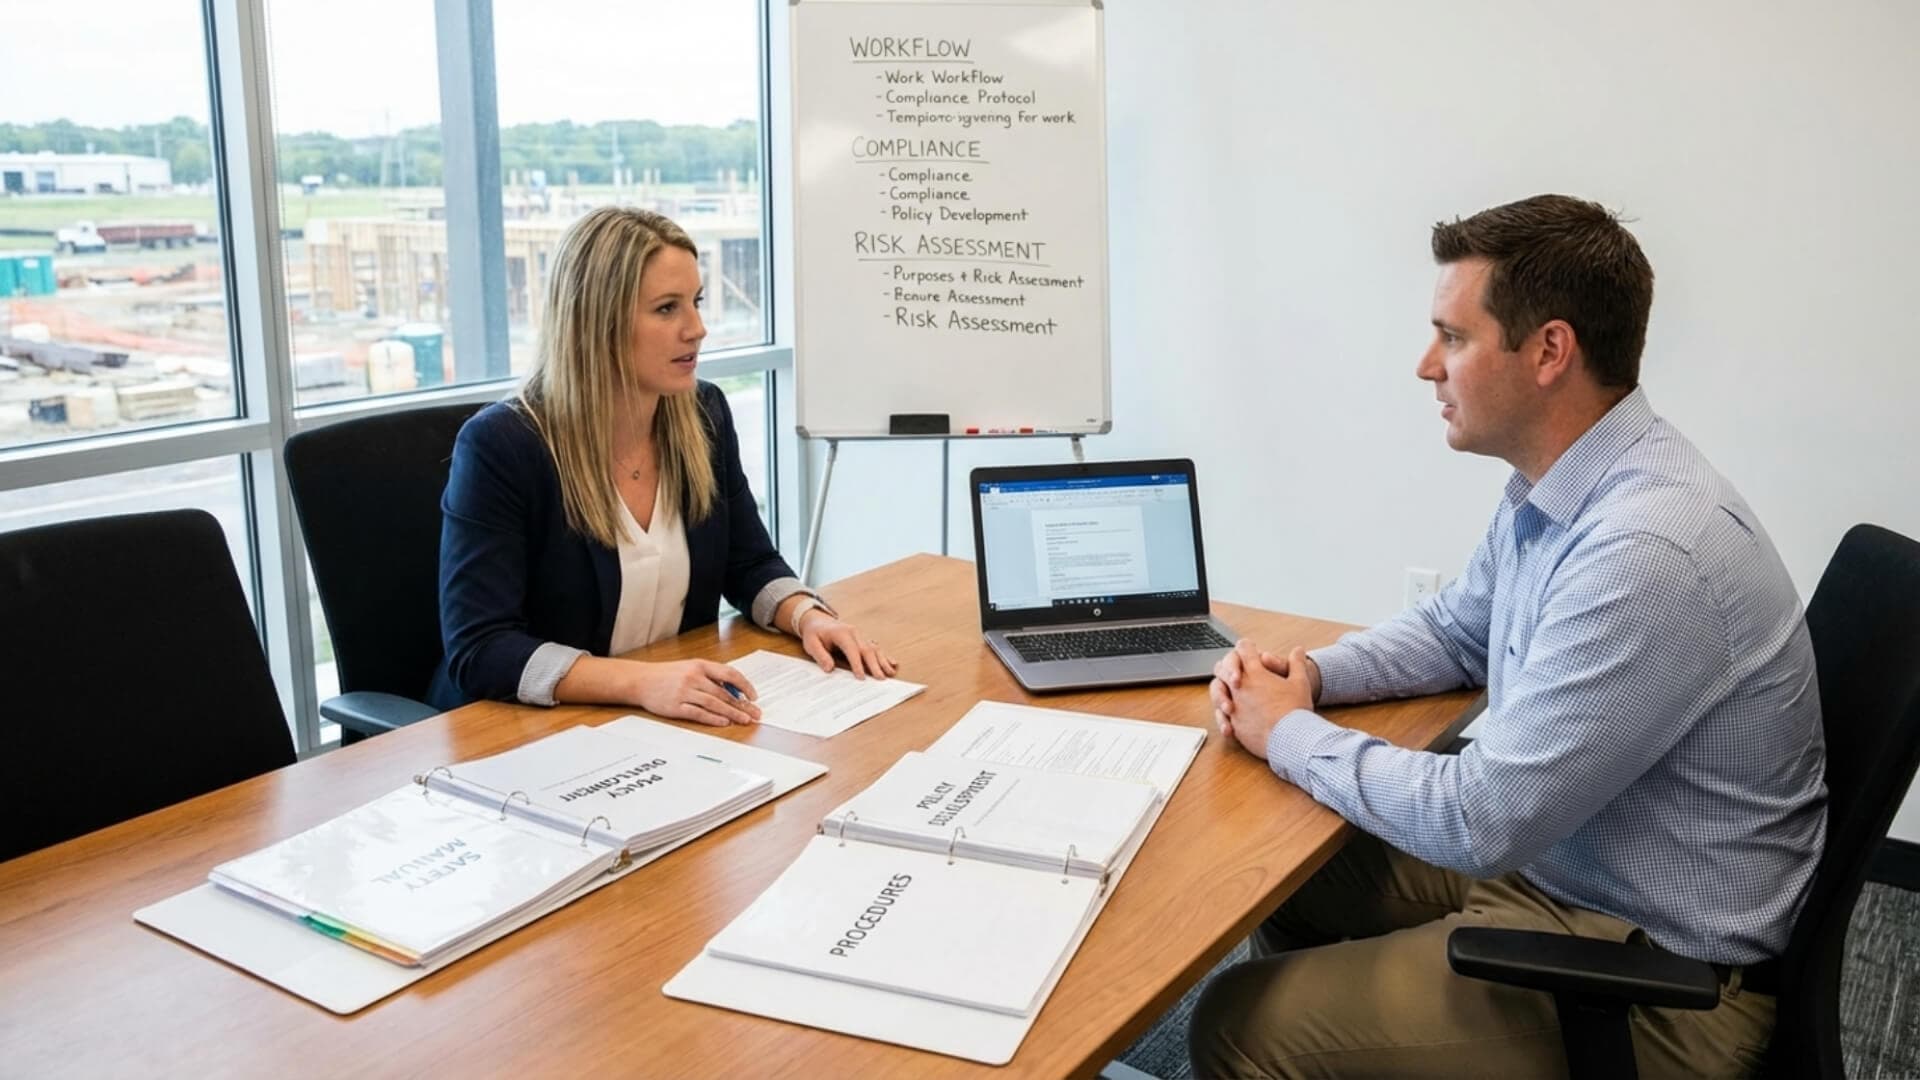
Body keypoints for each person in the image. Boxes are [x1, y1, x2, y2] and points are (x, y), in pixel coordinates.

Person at [1189, 194, 1827, 1078]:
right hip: (1574, 864)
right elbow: (1458, 631)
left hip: (1655, 977)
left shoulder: (1648, 551)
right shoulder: (1567, 483)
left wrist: (1289, 730)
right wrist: (1307, 677)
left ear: (1549, 352)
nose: (1426, 366)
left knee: (1232, 1025)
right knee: (1284, 873)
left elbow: (1479, 819)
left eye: (1452, 337)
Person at [428, 206, 896, 722]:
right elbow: (481, 648)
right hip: (525, 729)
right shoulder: (503, 446)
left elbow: (749, 563)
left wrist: (808, 616)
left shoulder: (703, 413)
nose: (697, 329)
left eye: (696, 302)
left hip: (660, 720)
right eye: (667, 308)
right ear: (596, 323)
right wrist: (641, 682)